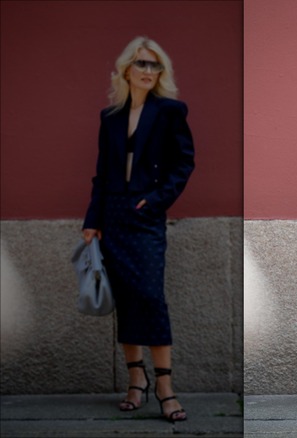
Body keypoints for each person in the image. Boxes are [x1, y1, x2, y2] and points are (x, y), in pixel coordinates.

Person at [83, 36, 194, 423]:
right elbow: (101, 174)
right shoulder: (110, 117)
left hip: (146, 217)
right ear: (127, 69)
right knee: (126, 299)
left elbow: (184, 163)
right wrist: (92, 221)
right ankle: (136, 382)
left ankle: (165, 385)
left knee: (150, 295)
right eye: (142, 64)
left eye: (155, 65)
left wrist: (156, 200)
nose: (148, 71)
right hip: (112, 216)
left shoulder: (170, 111)